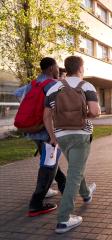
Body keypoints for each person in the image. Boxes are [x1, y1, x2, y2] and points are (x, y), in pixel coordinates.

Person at [43, 56, 100, 234]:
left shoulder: (53, 87)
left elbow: (46, 116)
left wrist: (53, 137)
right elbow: (95, 111)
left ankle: (86, 193)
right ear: (81, 68)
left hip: (62, 135)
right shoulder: (87, 86)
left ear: (65, 68)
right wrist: (84, 116)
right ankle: (64, 219)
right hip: (81, 134)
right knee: (75, 173)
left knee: (76, 168)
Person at [14, 57, 67, 216]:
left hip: (33, 130)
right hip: (48, 132)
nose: (58, 70)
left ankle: (64, 187)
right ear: (51, 68)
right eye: (57, 67)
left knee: (49, 160)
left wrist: (32, 111)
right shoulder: (53, 84)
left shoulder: (33, 83)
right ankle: (36, 204)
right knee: (48, 166)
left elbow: (17, 93)